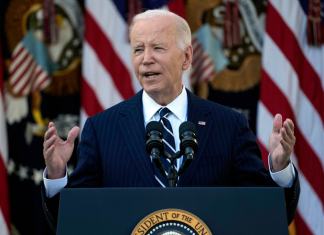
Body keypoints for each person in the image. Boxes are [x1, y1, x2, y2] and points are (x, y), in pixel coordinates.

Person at [42, 9, 299, 231]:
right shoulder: (102, 128)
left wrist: (279, 168)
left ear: (186, 57)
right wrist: (55, 175)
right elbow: (74, 221)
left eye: (158, 48)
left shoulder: (228, 125)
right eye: (138, 49)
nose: (146, 59)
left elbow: (266, 214)